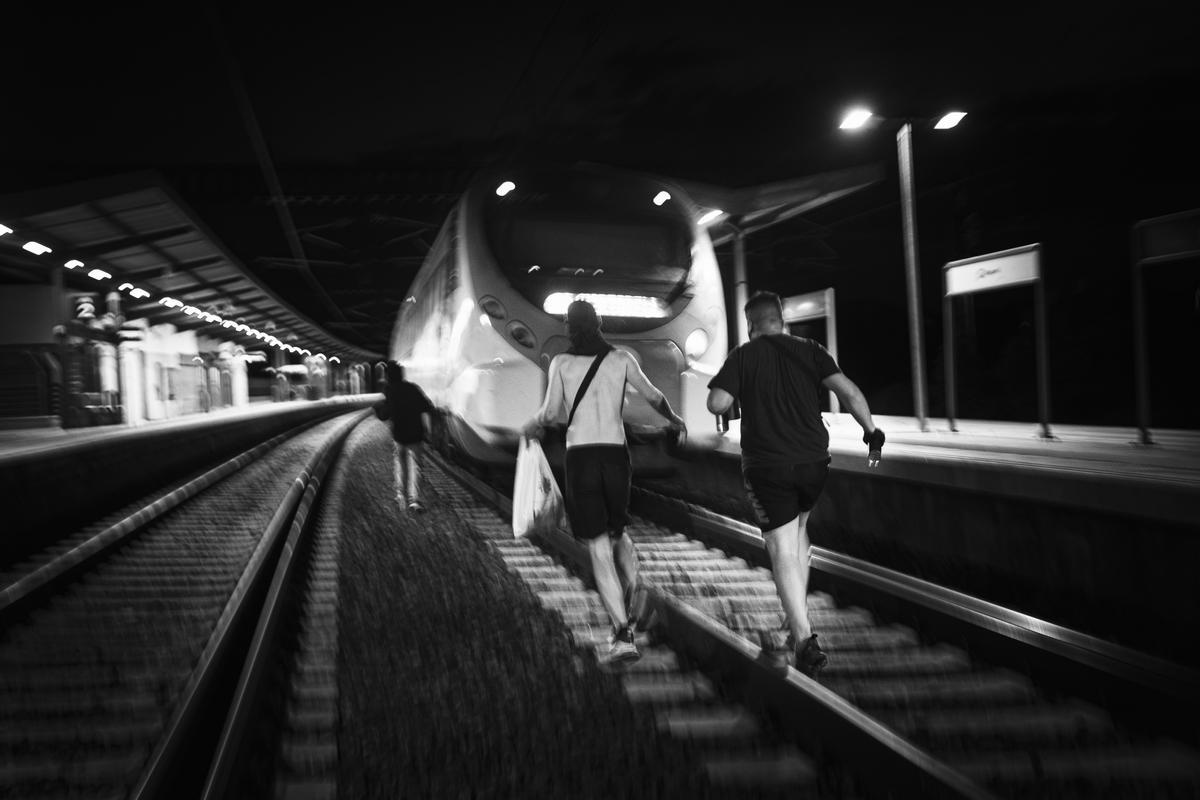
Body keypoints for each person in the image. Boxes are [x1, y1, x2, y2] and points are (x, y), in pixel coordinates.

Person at [706, 291, 885, 678]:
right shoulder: (812, 350)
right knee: (799, 535)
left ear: (750, 323)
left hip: (769, 466)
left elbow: (718, 403)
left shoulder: (743, 355)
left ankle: (804, 638)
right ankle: (795, 617)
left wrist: (737, 387)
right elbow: (849, 391)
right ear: (781, 319)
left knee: (782, 548)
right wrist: (871, 432)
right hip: (813, 463)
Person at [522, 299, 687, 665]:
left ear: (569, 328)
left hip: (582, 456)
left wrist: (530, 426)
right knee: (618, 530)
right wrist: (675, 420)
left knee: (598, 546)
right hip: (616, 456)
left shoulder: (562, 364)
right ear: (599, 324)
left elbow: (550, 414)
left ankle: (623, 633)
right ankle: (635, 586)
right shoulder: (622, 358)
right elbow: (654, 396)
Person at [380, 360, 435, 513]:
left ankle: (400, 496)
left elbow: (385, 414)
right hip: (415, 435)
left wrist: (379, 409)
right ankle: (415, 500)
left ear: (388, 376)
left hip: (399, 436)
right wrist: (428, 432)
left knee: (400, 465)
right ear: (401, 374)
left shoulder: (389, 390)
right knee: (416, 467)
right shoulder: (413, 389)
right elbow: (426, 408)